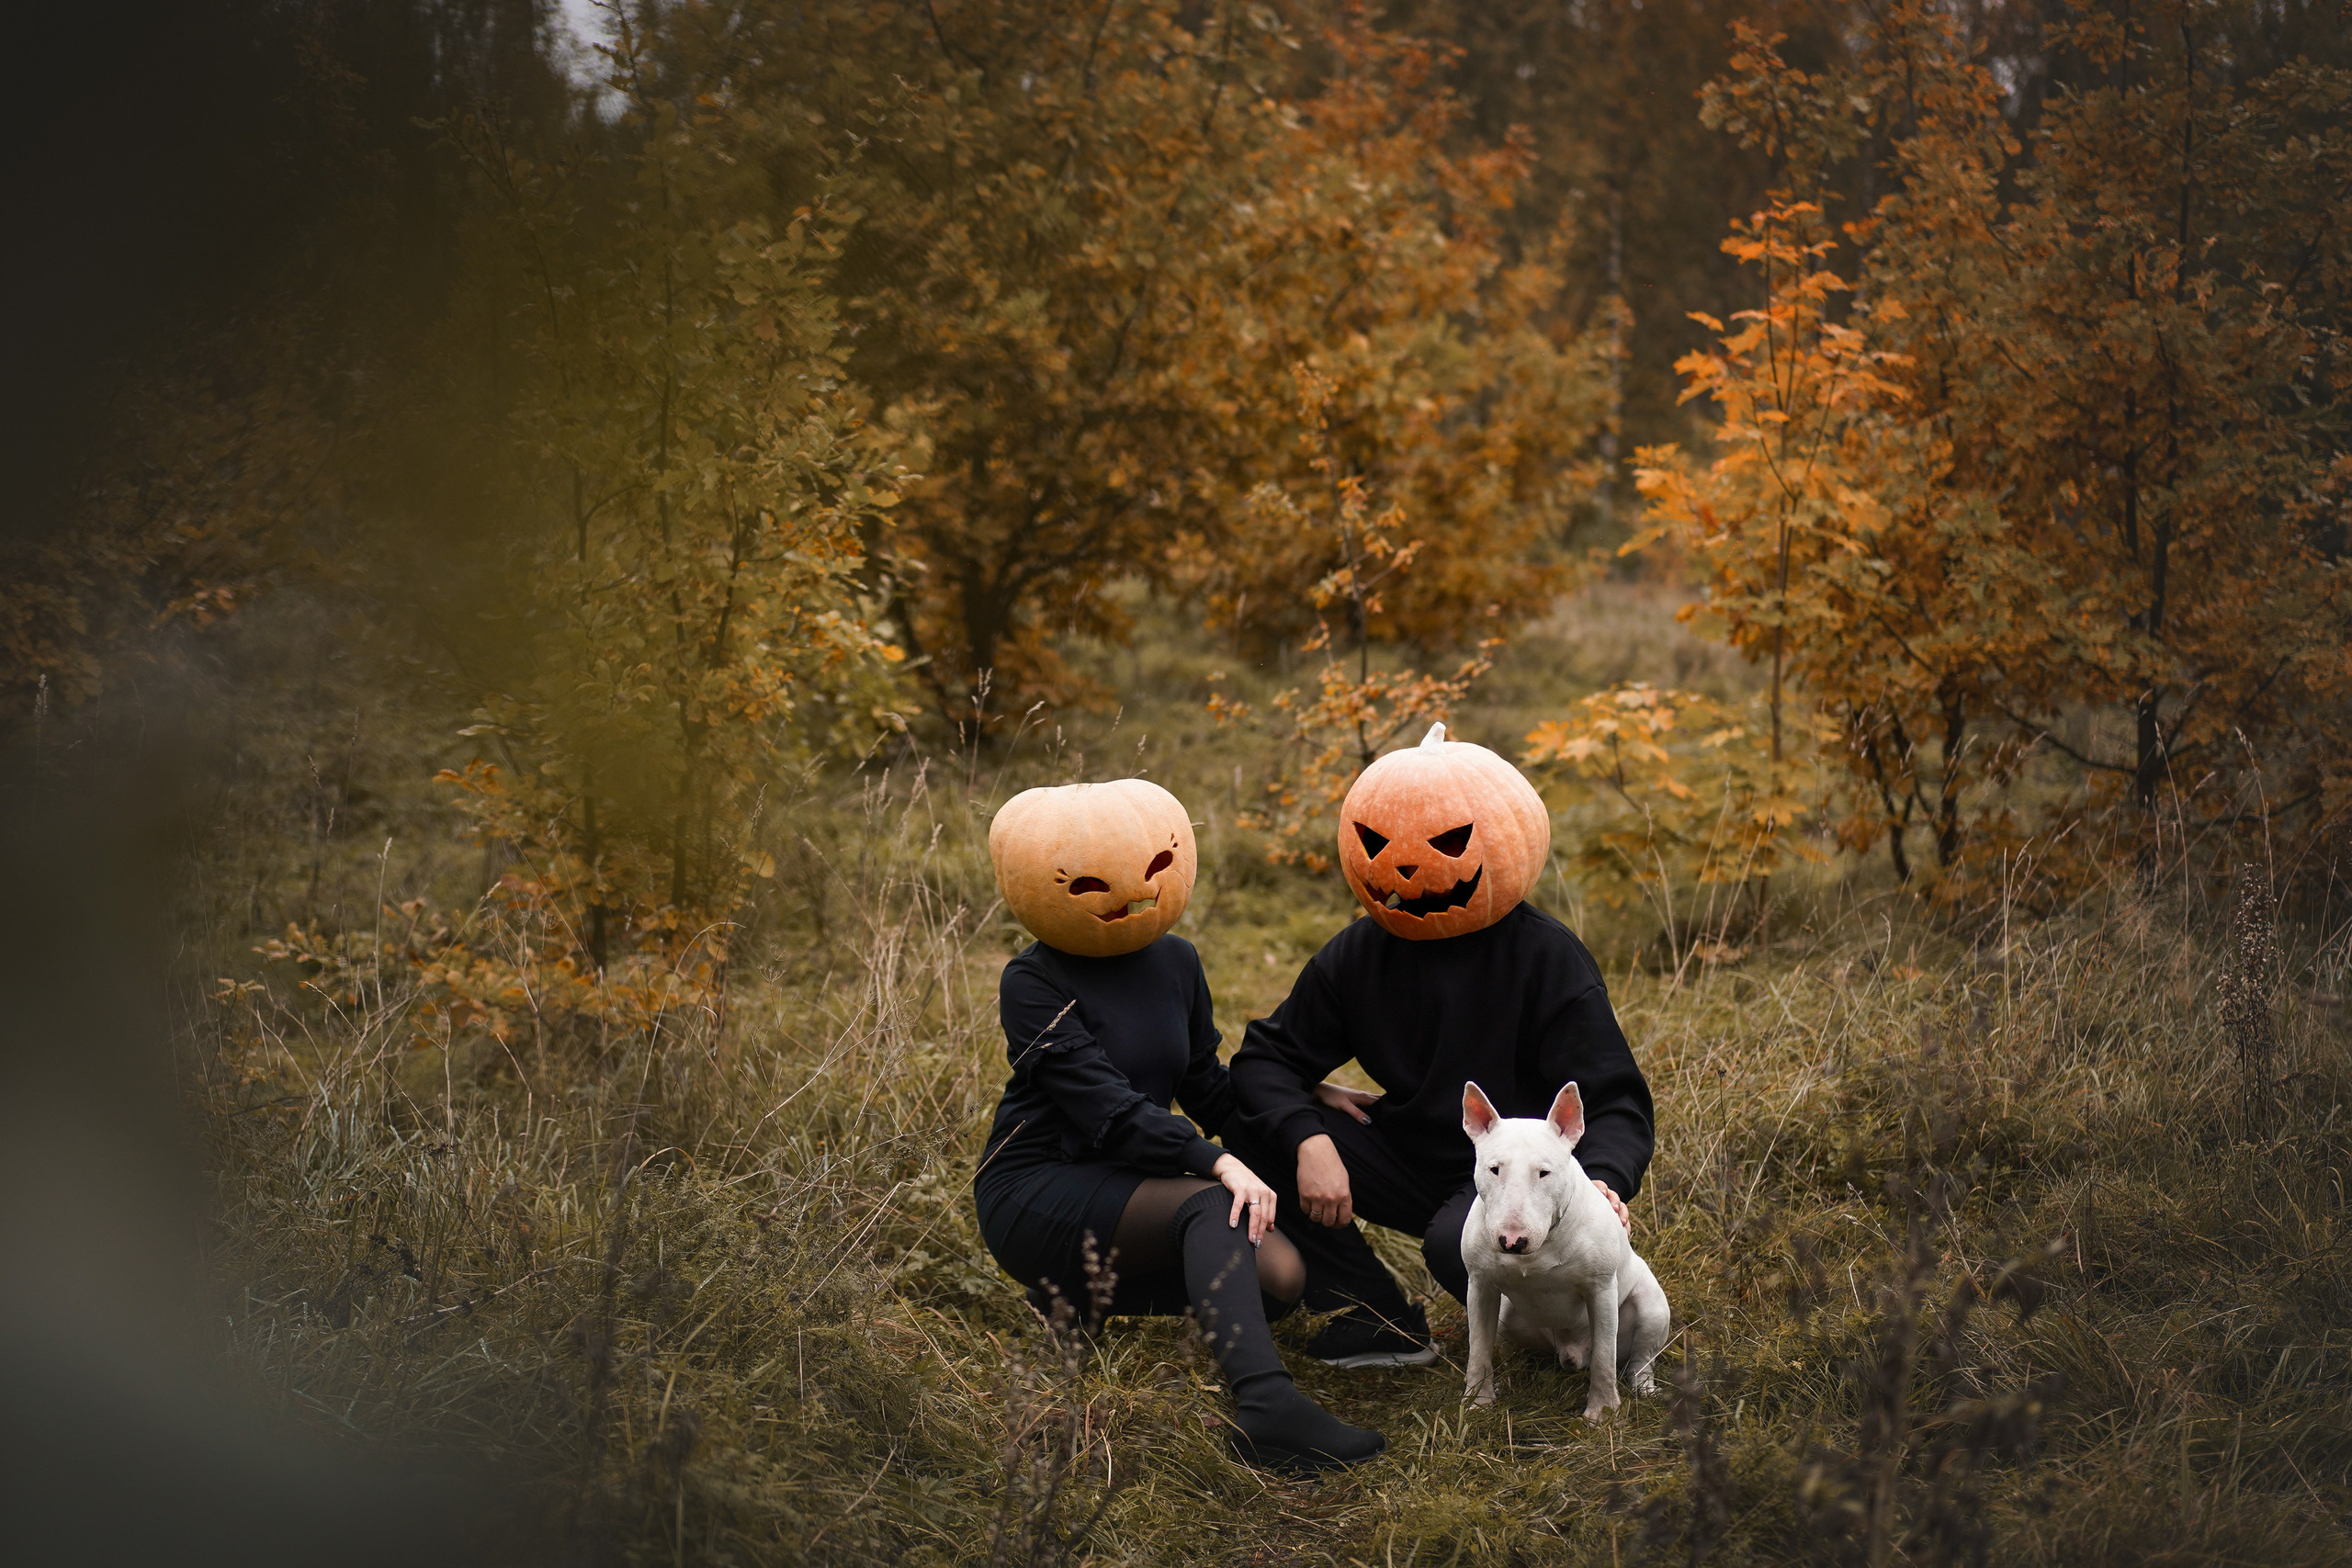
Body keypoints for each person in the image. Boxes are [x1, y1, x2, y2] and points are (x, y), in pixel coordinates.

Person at [971, 779, 1385, 1471]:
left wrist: (1297, 1099)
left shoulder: (1176, 959)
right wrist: (1214, 1161)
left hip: (1131, 1178)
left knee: (1280, 1278)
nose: (1133, 890)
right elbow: (1106, 1107)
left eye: (1156, 866)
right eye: (1089, 883)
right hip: (1039, 1183)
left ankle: (1077, 1296)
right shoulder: (1032, 981)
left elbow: (1204, 1082)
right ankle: (1266, 1409)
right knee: (1215, 1204)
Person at [1227, 725, 1656, 1367]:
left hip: (1517, 1175)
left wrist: (1603, 1181)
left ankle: (1562, 1335)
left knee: (1457, 1244)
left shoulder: (1544, 957)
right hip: (1410, 1153)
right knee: (1253, 1127)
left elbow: (1614, 1098)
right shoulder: (1360, 954)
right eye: (1378, 844)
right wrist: (1309, 1138)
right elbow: (1265, 1059)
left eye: (1448, 843)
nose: (1404, 867)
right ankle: (1374, 1314)